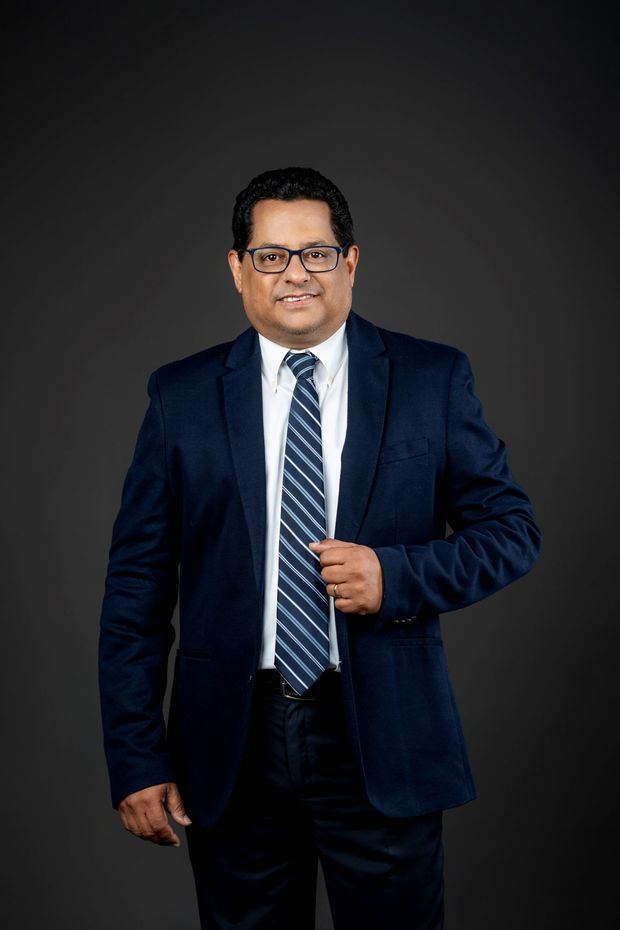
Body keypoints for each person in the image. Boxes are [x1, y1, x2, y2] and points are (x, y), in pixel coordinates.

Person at [98, 165, 543, 929]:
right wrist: (136, 757)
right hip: (230, 743)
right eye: (271, 255)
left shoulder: (431, 379)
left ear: (352, 261)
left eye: (317, 253)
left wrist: (394, 575)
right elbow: (135, 589)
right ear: (238, 268)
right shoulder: (180, 395)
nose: (296, 273)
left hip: (382, 735)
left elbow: (512, 532)